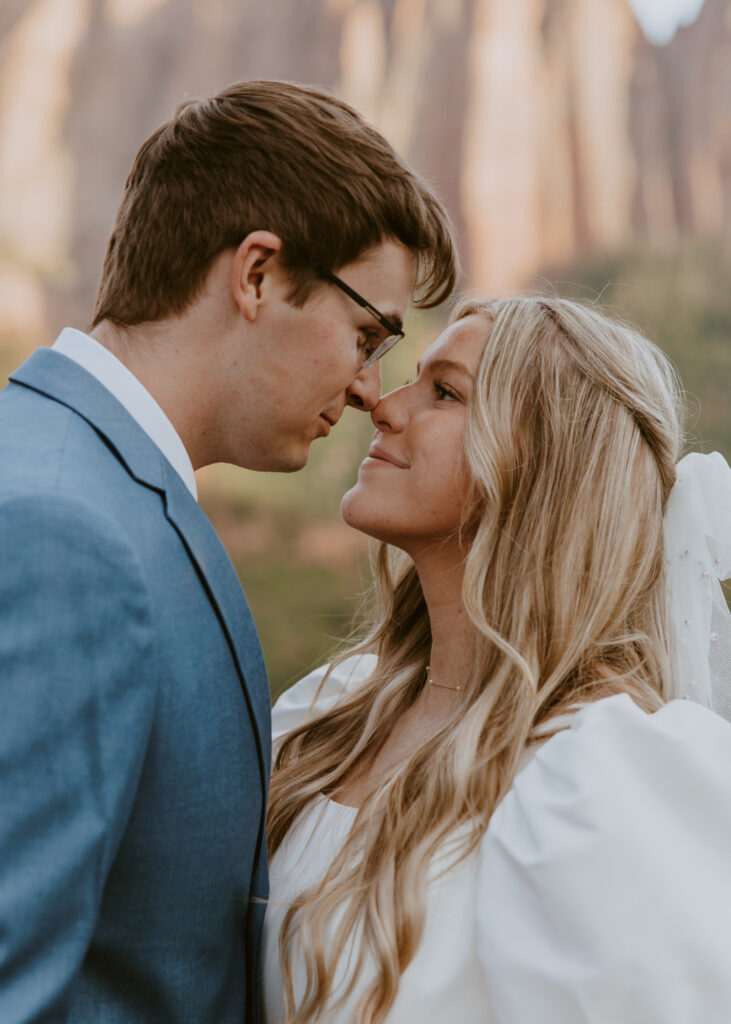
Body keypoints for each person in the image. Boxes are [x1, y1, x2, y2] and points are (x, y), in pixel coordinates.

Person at [0, 80, 457, 1023]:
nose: (373, 388)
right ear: (255, 275)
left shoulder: (95, 485)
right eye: (367, 334)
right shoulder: (66, 535)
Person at [265, 296, 731, 1024]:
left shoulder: (603, 778)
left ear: (542, 464)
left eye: (444, 392)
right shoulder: (324, 712)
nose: (383, 407)